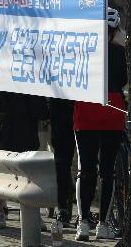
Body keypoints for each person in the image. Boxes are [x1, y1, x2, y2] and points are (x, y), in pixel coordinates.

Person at [73, 7, 127, 241]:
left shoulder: (81, 50)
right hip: (112, 110)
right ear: (114, 31)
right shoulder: (120, 52)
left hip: (86, 109)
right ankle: (103, 223)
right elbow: (124, 80)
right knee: (108, 171)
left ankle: (83, 221)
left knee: (85, 170)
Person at [0, 90, 49, 229]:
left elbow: (40, 107)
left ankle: (30, 211)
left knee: (29, 171)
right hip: (2, 125)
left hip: (26, 124)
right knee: (0, 168)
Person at [48, 97, 76, 227]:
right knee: (61, 165)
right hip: (59, 115)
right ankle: (61, 207)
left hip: (69, 113)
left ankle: (63, 208)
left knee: (63, 165)